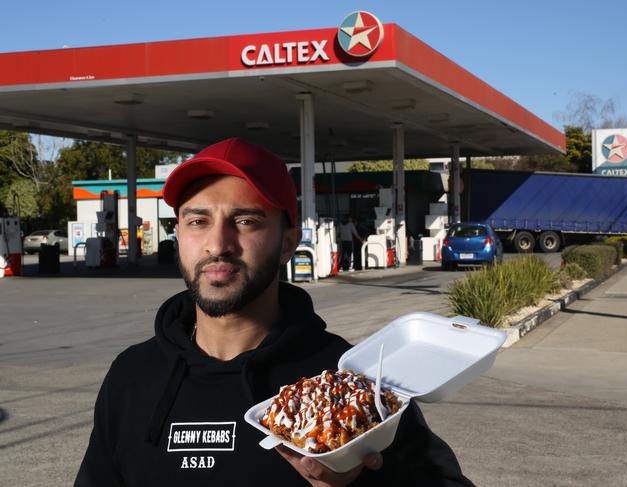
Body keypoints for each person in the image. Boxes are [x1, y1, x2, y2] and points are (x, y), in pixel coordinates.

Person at [75, 137, 473, 487]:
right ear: (178, 234)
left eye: (246, 221)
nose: (218, 244)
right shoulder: (132, 376)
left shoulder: (353, 385)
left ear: (287, 244)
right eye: (198, 221)